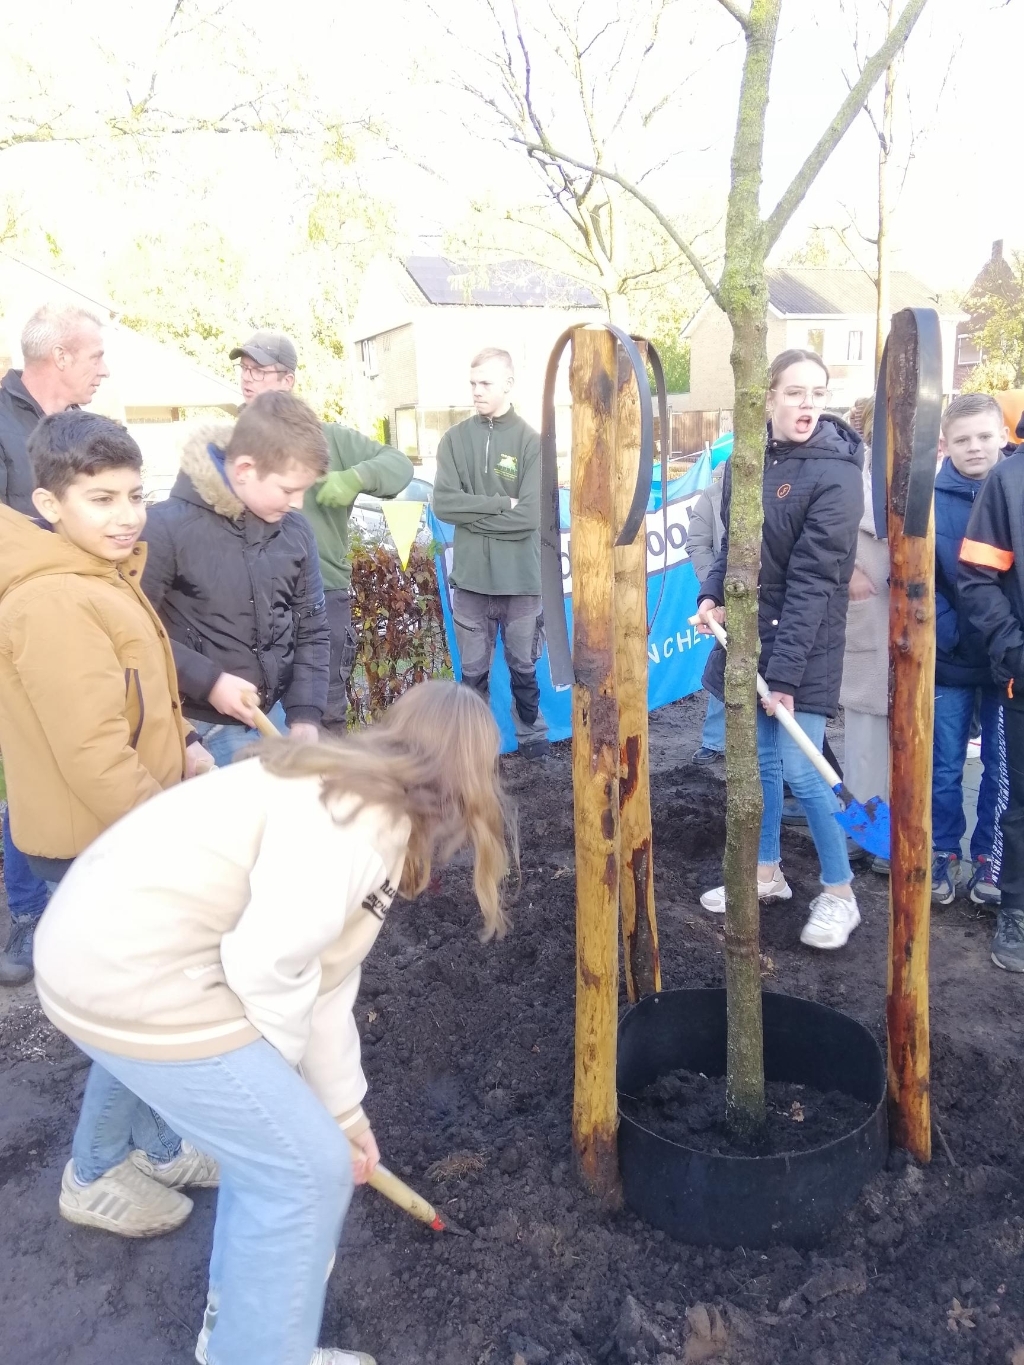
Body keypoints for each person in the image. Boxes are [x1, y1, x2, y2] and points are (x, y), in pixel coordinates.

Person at [32, 680, 513, 1365]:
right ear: (466, 779)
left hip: (108, 947)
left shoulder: (356, 793)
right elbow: (266, 966)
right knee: (302, 1171)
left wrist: (346, 1114)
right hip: (128, 967)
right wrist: (294, 1111)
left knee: (286, 1154)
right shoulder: (358, 819)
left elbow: (321, 980)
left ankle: (237, 1337)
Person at [0, 410, 217, 1236]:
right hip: (97, 843)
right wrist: (171, 837)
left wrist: (188, 741)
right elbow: (92, 751)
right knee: (144, 1015)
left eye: (135, 492)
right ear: (50, 504)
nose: (127, 513)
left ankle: (157, 1146)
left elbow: (139, 700)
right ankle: (93, 1172)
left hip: (123, 832)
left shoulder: (101, 573)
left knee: (151, 1005)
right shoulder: (53, 600)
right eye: (101, 497)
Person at [696, 349, 864, 950]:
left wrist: (787, 674)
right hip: (749, 637)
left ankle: (840, 893)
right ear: (768, 396)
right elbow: (732, 545)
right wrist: (712, 594)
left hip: (806, 644)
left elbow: (817, 582)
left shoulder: (838, 472)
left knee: (803, 767)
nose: (808, 405)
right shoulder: (749, 462)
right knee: (762, 767)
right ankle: (765, 876)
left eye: (818, 394)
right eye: (795, 392)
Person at [0, 303, 111, 982]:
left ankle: (81, 905)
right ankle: (25, 916)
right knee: (29, 768)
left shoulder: (79, 432)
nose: (105, 368)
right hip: (15, 627)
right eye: (96, 355)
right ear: (61, 357)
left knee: (76, 754)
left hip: (76, 621)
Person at [229, 332, 414, 727]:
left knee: (323, 709)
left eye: (259, 371)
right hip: (250, 597)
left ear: (287, 381)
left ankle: (326, 784)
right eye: (244, 369)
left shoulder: (329, 439)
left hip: (322, 595)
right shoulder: (233, 445)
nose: (247, 379)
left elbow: (399, 465)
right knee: (251, 710)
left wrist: (354, 477)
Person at [141, 390, 330, 764]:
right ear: (244, 469)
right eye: (289, 489)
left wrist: (306, 714)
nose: (298, 503)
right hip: (195, 726)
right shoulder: (164, 530)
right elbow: (132, 634)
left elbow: (312, 625)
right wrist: (208, 682)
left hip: (271, 717)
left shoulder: (296, 531)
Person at [432, 347, 548, 758]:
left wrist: (471, 513)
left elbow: (531, 517)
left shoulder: (532, 442)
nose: (476, 391)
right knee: (472, 678)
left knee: (524, 670)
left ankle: (533, 741)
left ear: (508, 384)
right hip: (471, 585)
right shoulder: (454, 440)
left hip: (520, 582)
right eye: (472, 383)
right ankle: (474, 753)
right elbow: (443, 505)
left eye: (485, 383)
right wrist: (501, 505)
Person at [931, 394, 1008, 909]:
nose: (974, 447)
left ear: (1003, 436)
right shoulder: (931, 498)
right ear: (945, 444)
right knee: (944, 762)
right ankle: (940, 851)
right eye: (962, 439)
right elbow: (919, 577)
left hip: (1008, 658)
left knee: (1002, 767)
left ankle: (989, 856)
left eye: (984, 436)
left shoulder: (1015, 490)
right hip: (952, 657)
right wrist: (950, 630)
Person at [956, 413, 1024, 972]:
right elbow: (977, 578)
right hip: (1014, 674)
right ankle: (1014, 904)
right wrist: (1013, 649)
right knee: (1014, 794)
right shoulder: (1011, 481)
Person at [839, 397, 891, 876]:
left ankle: (907, 838)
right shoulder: (853, 481)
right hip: (868, 626)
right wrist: (850, 570)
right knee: (865, 742)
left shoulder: (936, 480)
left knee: (915, 742)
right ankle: (864, 834)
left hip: (918, 629)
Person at [687, 466, 726, 765]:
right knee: (723, 663)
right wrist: (714, 586)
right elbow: (698, 544)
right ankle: (715, 740)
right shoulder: (712, 495)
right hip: (725, 595)